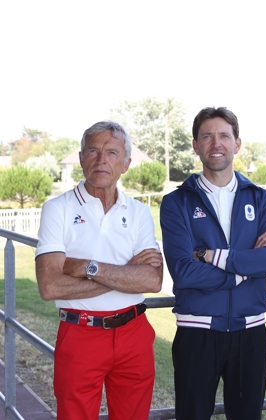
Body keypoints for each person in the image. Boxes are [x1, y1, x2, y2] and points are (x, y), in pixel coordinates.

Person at [160, 107, 266, 420]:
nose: (216, 143)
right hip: (196, 333)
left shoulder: (261, 198)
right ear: (196, 145)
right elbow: (184, 271)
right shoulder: (177, 202)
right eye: (207, 136)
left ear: (237, 143)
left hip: (250, 333)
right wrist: (245, 269)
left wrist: (208, 255)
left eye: (224, 136)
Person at [36, 121, 163, 419]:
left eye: (111, 152)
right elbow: (50, 286)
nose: (101, 159)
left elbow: (153, 280)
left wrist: (85, 267)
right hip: (80, 333)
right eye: (93, 150)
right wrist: (125, 274)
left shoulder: (139, 212)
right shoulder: (58, 209)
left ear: (126, 163)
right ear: (81, 158)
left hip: (134, 333)